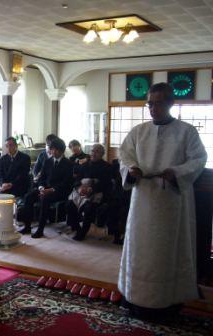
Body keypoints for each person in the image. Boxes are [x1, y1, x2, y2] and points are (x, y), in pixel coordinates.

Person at [118, 82, 207, 320]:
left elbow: (199, 159)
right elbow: (124, 156)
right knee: (140, 249)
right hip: (143, 201)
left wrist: (177, 172)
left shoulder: (186, 131)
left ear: (170, 103)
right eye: (150, 103)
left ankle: (168, 302)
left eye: (158, 103)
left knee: (166, 251)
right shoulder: (138, 132)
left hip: (171, 202)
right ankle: (135, 297)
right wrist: (132, 169)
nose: (152, 108)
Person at [19, 138, 73, 238]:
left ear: (61, 151)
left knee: (45, 199)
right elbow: (42, 178)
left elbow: (66, 183)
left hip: (59, 191)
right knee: (28, 196)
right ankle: (27, 226)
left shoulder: (68, 164)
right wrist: (40, 187)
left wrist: (51, 190)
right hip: (45, 189)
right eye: (52, 149)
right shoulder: (48, 161)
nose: (52, 151)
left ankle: (40, 229)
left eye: (55, 149)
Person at [66, 144, 112, 241]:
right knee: (69, 204)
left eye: (97, 151)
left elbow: (106, 183)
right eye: (92, 151)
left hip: (96, 192)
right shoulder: (84, 165)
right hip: (81, 190)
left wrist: (92, 189)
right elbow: (77, 179)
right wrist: (79, 188)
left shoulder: (107, 167)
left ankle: (83, 232)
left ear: (102, 154)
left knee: (89, 207)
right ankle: (78, 228)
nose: (93, 153)